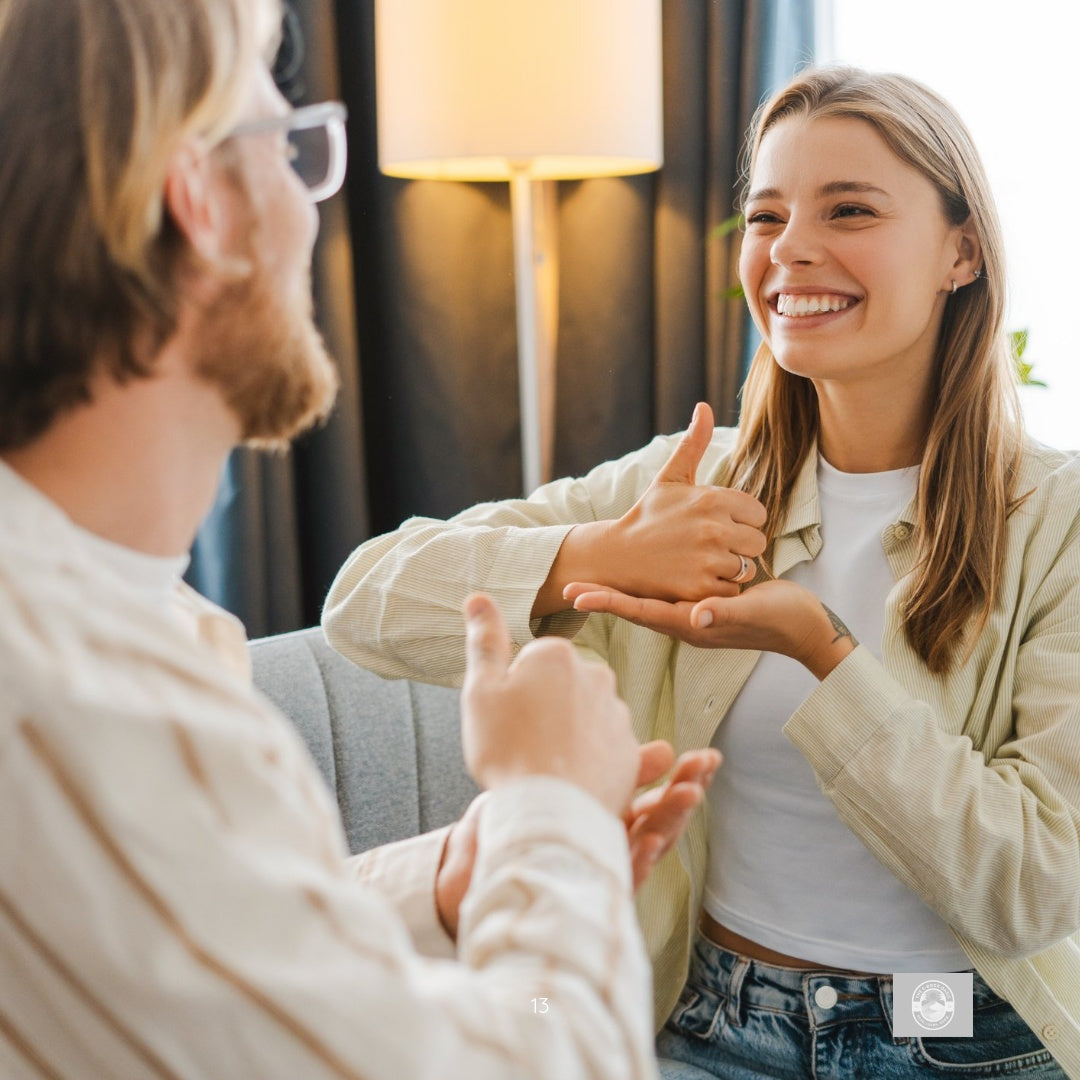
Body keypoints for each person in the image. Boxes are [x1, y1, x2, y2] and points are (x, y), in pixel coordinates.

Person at [0, 0, 722, 1076]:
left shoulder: (140, 622)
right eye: (289, 146)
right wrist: (552, 808)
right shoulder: (78, 696)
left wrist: (458, 876)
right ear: (198, 201)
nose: (309, 208)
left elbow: (192, 956)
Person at [324, 65, 1080, 1078]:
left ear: (962, 251)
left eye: (848, 209)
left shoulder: (1056, 521)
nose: (791, 250)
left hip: (962, 1037)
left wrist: (819, 649)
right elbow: (361, 602)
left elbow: (1029, 885)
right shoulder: (686, 482)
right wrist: (593, 552)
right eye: (767, 215)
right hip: (714, 1025)